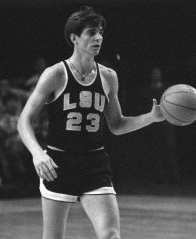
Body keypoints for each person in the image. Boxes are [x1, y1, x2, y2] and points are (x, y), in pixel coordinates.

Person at [17, 6, 165, 239]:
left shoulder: (108, 76)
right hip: (59, 163)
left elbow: (116, 125)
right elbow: (24, 120)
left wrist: (151, 117)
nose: (98, 37)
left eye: (101, 33)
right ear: (74, 38)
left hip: (94, 163)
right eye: (91, 32)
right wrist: (37, 153)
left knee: (111, 235)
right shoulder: (55, 74)